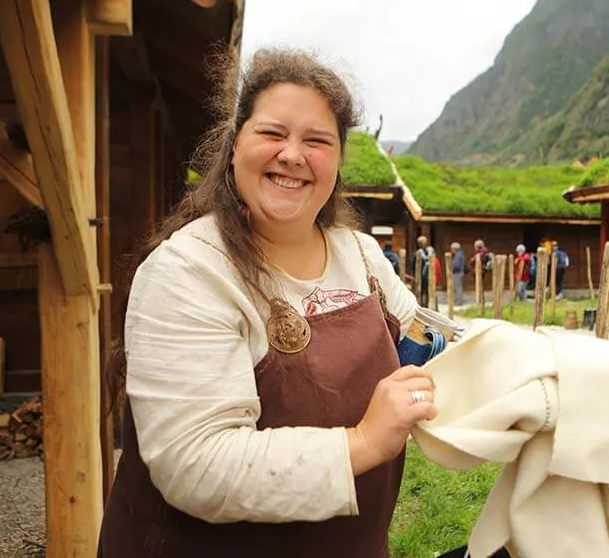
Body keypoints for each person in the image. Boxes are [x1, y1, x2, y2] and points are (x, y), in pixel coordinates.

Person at [98, 48, 437, 558]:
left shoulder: (362, 256)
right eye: (273, 133)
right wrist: (365, 442)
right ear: (234, 147)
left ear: (338, 161)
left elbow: (424, 345)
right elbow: (197, 464)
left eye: (317, 141)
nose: (293, 155)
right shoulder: (188, 272)